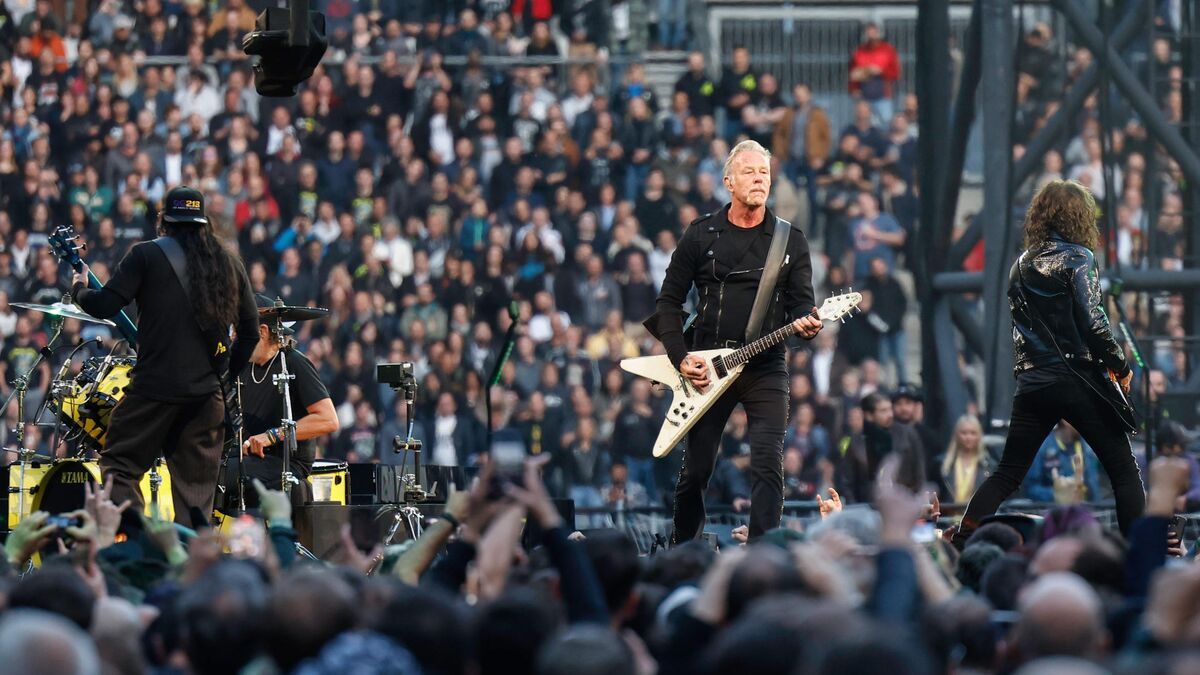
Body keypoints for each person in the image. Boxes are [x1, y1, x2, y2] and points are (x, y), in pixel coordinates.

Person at [648, 140, 822, 542]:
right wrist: (679, 357)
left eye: (764, 172)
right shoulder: (701, 233)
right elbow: (669, 301)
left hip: (765, 365)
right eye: (749, 172)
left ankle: (764, 550)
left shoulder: (789, 240)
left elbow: (802, 307)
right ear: (728, 181)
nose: (759, 179)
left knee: (767, 462)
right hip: (708, 366)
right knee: (696, 470)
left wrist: (809, 325)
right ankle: (685, 546)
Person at [954, 180, 1144, 543]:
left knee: (1007, 473)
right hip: (1075, 377)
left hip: (1033, 381)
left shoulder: (1019, 265)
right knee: (1123, 469)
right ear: (1078, 216)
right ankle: (1136, 554)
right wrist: (1120, 364)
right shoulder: (1079, 257)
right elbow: (1093, 321)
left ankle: (963, 540)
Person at [72, 185, 259, 528]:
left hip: (153, 390)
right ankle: (193, 567)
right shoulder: (229, 262)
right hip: (205, 397)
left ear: (163, 221)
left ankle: (143, 545)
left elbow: (105, 305)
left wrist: (79, 288)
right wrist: (225, 377)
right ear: (204, 223)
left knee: (119, 467)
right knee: (196, 496)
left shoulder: (145, 255)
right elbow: (251, 333)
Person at [222, 294, 339, 512]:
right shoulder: (244, 367)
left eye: (238, 332)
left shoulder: (294, 363)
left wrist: (272, 436)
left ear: (262, 332)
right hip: (253, 457)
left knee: (223, 475)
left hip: (286, 462)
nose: (234, 338)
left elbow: (328, 420)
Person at [938, 414, 991, 505]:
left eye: (973, 433)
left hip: (976, 517)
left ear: (979, 436)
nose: (968, 437)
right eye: (964, 433)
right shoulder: (941, 465)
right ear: (956, 435)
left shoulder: (989, 466)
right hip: (948, 517)